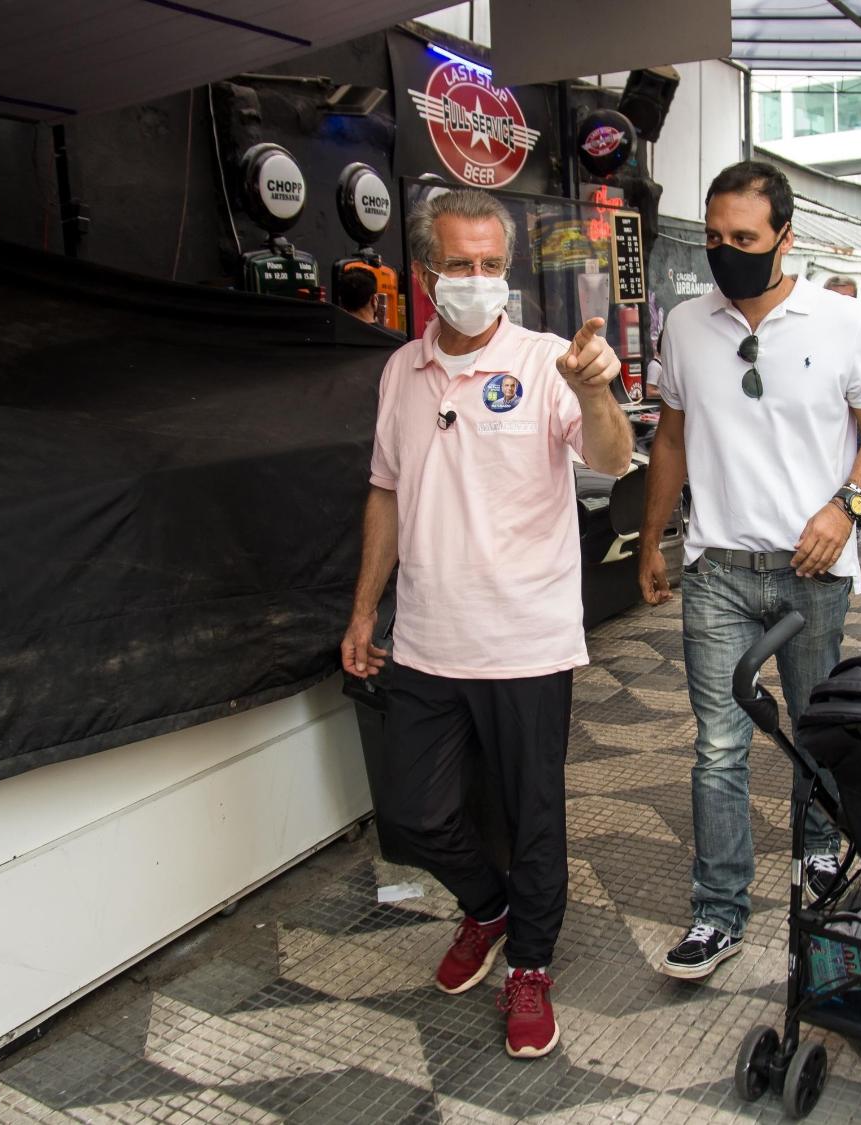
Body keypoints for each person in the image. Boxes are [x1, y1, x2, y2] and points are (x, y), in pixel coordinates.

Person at [340, 187, 633, 1060]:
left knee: (533, 816)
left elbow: (613, 457)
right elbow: (385, 492)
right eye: (461, 265)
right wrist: (364, 609)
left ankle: (530, 964)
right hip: (427, 638)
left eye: (492, 264)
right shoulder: (401, 371)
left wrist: (595, 391)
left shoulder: (548, 361)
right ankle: (487, 906)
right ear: (426, 273)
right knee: (414, 811)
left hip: (525, 639)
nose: (478, 279)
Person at [636, 161, 861, 981]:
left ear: (786, 237)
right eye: (715, 236)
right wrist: (651, 541)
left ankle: (821, 845)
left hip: (812, 570)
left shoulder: (843, 321)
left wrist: (846, 506)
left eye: (744, 238)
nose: (726, 252)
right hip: (716, 568)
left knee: (816, 726)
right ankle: (718, 912)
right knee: (719, 746)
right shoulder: (685, 326)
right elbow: (670, 440)